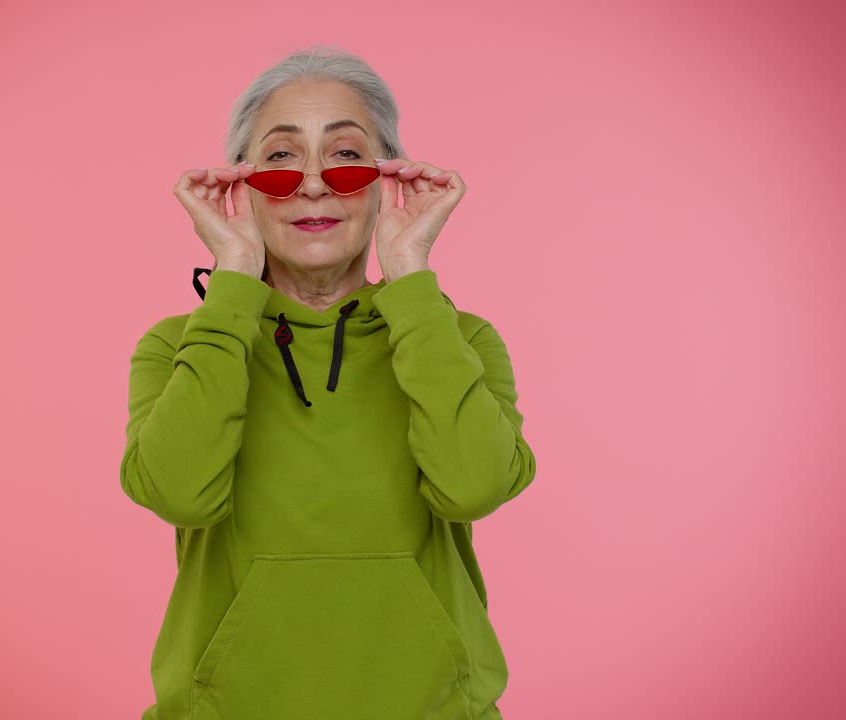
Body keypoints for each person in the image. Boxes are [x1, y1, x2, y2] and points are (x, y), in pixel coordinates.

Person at [120, 46, 536, 720]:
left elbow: (475, 485)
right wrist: (232, 277)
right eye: (280, 159)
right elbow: (179, 493)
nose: (313, 185)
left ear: (384, 179)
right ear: (241, 184)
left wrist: (410, 277)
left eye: (345, 156)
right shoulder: (180, 346)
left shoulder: (456, 339)